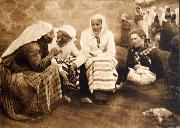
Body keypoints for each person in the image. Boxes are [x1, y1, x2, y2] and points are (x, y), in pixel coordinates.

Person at [0, 21, 62, 120]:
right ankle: (32, 108)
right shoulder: (32, 46)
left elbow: (45, 60)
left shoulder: (43, 43)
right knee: (45, 74)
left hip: (27, 69)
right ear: (44, 35)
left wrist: (52, 57)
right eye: (51, 33)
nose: (53, 35)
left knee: (54, 68)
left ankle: (46, 103)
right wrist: (52, 54)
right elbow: (38, 67)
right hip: (15, 74)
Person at [70, 14, 118, 103]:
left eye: (97, 24)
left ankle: (106, 91)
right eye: (93, 24)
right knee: (93, 63)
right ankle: (94, 92)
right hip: (89, 57)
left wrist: (100, 56)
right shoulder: (85, 34)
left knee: (105, 63)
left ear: (102, 24)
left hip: (106, 57)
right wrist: (77, 63)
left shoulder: (108, 34)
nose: (95, 27)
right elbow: (85, 51)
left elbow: (111, 51)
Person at [50, 25, 85, 103]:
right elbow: (50, 58)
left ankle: (75, 94)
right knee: (61, 66)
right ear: (58, 33)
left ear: (70, 39)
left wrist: (74, 64)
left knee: (76, 64)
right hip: (53, 63)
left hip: (62, 62)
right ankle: (61, 94)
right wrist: (60, 70)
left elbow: (81, 56)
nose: (63, 39)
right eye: (61, 35)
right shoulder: (52, 40)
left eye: (66, 38)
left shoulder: (70, 44)